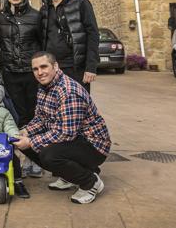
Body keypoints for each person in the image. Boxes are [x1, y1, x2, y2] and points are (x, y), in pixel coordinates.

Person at [14, 51, 111, 204]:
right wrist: (25, 132)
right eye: (35, 69)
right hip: (74, 140)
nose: (40, 72)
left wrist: (31, 141)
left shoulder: (68, 91)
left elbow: (66, 134)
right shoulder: (44, 86)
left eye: (44, 67)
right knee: (25, 144)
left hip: (93, 145)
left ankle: (90, 182)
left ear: (55, 66)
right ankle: (69, 176)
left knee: (48, 154)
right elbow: (41, 118)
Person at [0, 0, 43, 178]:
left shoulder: (36, 16)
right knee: (19, 116)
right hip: (10, 73)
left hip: (30, 74)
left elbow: (41, 43)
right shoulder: (0, 17)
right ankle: (27, 157)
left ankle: (36, 159)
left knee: (34, 115)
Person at [40, 0, 99, 92]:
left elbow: (92, 34)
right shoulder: (44, 9)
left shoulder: (81, 2)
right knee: (55, 107)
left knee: (78, 107)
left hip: (76, 68)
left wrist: (91, 67)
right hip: (52, 68)